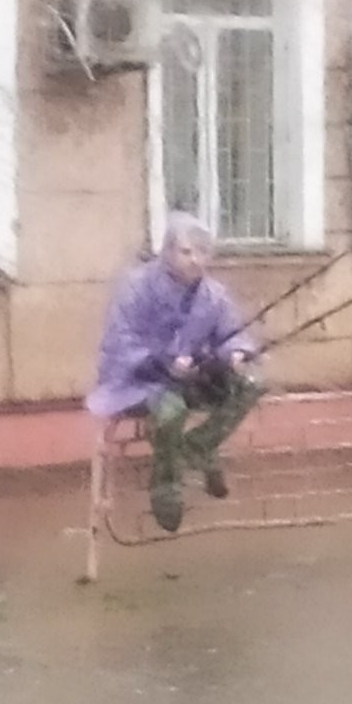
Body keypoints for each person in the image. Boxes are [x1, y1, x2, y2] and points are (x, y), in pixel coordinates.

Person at [87, 212, 265, 533]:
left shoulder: (214, 295)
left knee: (252, 383)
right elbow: (119, 339)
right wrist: (159, 361)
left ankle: (194, 448)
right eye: (186, 252)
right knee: (170, 412)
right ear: (167, 252)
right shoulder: (136, 287)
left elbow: (231, 333)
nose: (196, 260)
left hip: (193, 377)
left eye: (203, 252)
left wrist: (236, 353)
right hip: (141, 379)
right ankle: (166, 486)